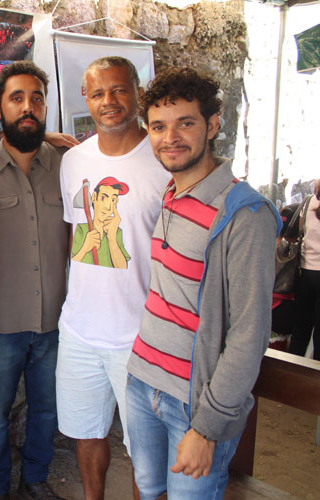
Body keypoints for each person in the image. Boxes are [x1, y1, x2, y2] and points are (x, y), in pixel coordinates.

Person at [126, 68, 280, 499]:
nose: (170, 137)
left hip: (192, 406)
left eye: (185, 123)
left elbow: (249, 334)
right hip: (142, 384)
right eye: (159, 126)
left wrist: (207, 428)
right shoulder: (171, 193)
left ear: (213, 125)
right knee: (147, 490)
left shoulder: (244, 215)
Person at [56, 56, 171, 500]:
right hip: (80, 329)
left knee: (146, 452)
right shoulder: (73, 161)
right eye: (99, 92)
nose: (110, 101)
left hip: (141, 336)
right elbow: (76, 240)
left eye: (120, 89)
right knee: (86, 434)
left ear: (138, 93)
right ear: (85, 98)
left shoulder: (164, 162)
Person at [0, 61, 70, 500]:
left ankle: (34, 480)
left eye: (37, 99)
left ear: (46, 107)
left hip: (54, 322)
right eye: (17, 98)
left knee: (47, 409)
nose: (29, 107)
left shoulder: (68, 165)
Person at [289, 178, 320, 359]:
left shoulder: (308, 202)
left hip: (304, 273)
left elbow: (299, 232)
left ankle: (292, 372)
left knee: (300, 330)